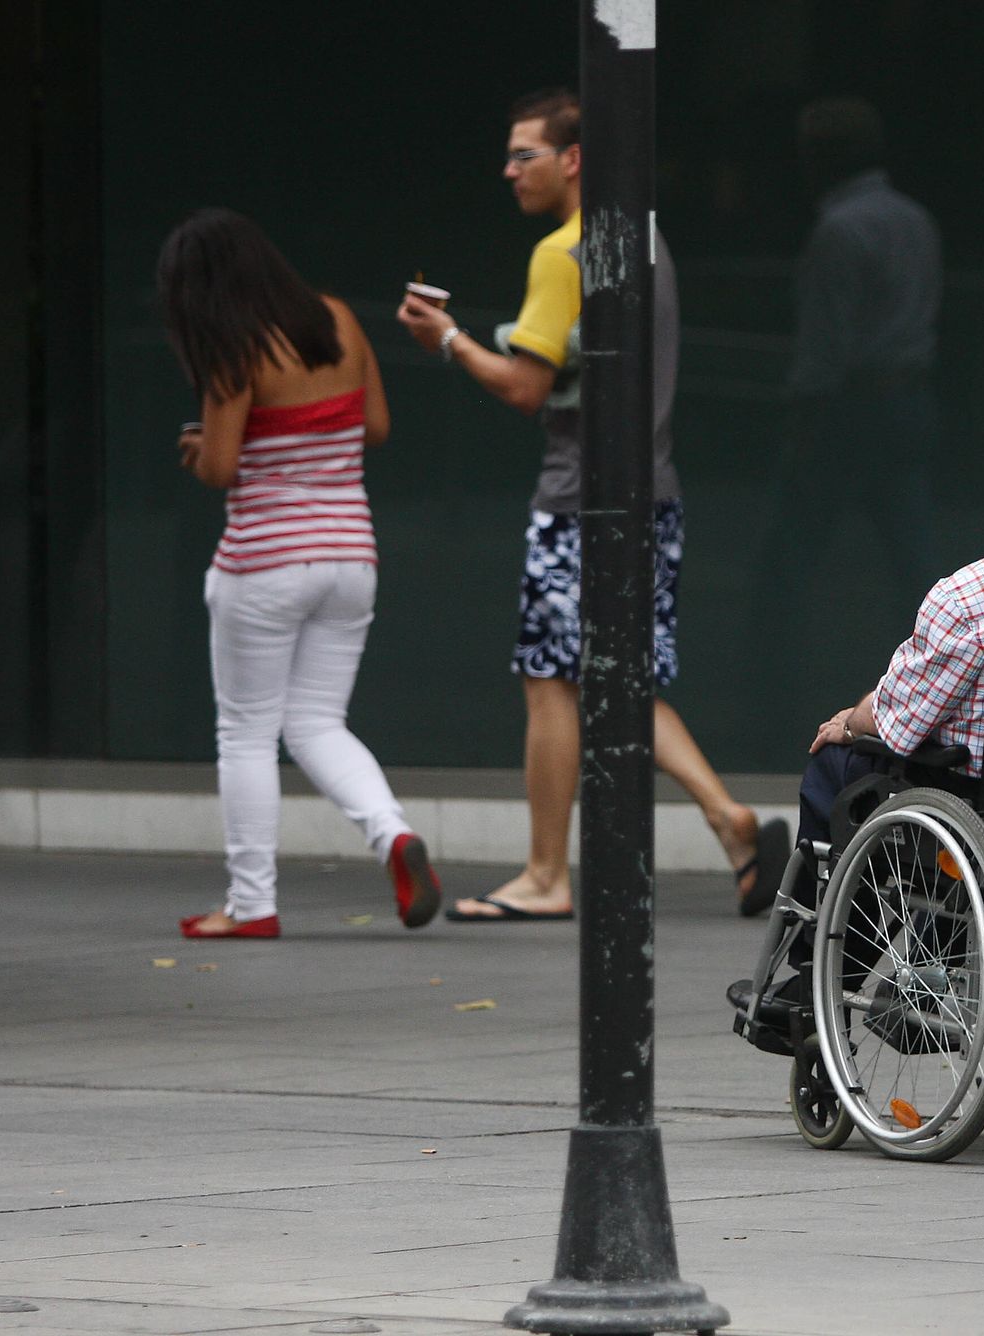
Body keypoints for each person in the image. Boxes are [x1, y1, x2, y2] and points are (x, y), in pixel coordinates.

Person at [396, 88, 787, 922]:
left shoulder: (560, 252)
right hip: (652, 496)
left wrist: (448, 339)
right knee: (619, 680)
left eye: (524, 155)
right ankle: (731, 823)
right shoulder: (643, 239)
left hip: (578, 500)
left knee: (550, 682)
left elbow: (525, 386)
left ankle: (545, 876)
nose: (509, 171)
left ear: (573, 159)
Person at [728, 393, 984, 1019]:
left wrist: (848, 723)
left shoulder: (975, 593)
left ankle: (820, 980)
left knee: (841, 769)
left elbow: (900, 720)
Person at [158, 209, 441, 940]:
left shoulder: (233, 349)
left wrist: (201, 450)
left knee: (246, 734)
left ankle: (251, 904)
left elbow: (221, 468)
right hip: (350, 557)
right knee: (317, 722)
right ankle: (394, 834)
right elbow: (375, 427)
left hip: (265, 564)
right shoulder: (337, 319)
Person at [759, 96, 944, 646]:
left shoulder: (839, 230)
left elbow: (826, 344)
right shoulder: (915, 218)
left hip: (848, 407)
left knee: (792, 549)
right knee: (912, 548)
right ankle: (942, 655)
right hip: (907, 396)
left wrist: (802, 420)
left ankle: (773, 662)